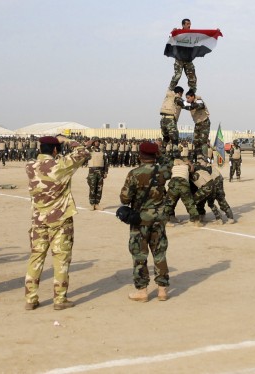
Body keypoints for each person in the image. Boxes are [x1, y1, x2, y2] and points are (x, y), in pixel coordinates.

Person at [24, 135, 91, 311]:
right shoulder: (60, 165)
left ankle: (30, 298)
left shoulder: (30, 166)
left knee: (36, 257)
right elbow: (83, 152)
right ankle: (59, 299)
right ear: (55, 150)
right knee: (61, 259)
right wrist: (68, 140)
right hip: (60, 219)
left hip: (38, 219)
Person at [120, 142, 173, 302]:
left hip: (141, 220)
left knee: (139, 254)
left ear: (140, 155)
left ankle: (142, 291)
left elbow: (125, 198)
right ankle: (162, 290)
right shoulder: (163, 171)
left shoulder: (134, 173)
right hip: (159, 218)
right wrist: (160, 153)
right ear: (155, 155)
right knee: (159, 252)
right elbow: (169, 164)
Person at [168, 18, 196, 92]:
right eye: (187, 24)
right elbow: (170, 39)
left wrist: (215, 32)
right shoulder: (178, 33)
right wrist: (173, 32)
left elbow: (203, 37)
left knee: (192, 78)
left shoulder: (193, 34)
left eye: (190, 24)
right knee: (177, 76)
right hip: (179, 58)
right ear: (183, 25)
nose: (189, 25)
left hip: (188, 59)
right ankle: (170, 91)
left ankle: (192, 94)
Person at [184, 89, 211, 157]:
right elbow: (183, 105)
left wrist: (190, 106)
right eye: (186, 98)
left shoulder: (198, 99)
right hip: (197, 124)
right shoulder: (189, 102)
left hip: (204, 123)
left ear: (193, 96)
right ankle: (199, 157)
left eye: (188, 98)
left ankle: (204, 157)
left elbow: (200, 106)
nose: (187, 99)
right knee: (196, 142)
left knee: (203, 141)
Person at [159, 86, 184, 151]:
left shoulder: (168, 97)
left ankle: (163, 151)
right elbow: (184, 104)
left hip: (163, 120)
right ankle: (175, 155)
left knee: (166, 137)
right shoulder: (177, 98)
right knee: (175, 138)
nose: (182, 95)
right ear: (179, 93)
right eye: (182, 94)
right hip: (170, 120)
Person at [86, 137, 109, 210]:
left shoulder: (102, 151)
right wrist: (89, 143)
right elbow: (84, 149)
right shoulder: (90, 150)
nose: (97, 143)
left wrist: (105, 172)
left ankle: (97, 204)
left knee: (99, 188)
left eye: (98, 141)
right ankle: (92, 204)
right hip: (92, 171)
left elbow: (106, 162)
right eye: (95, 141)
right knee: (92, 188)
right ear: (93, 142)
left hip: (100, 172)